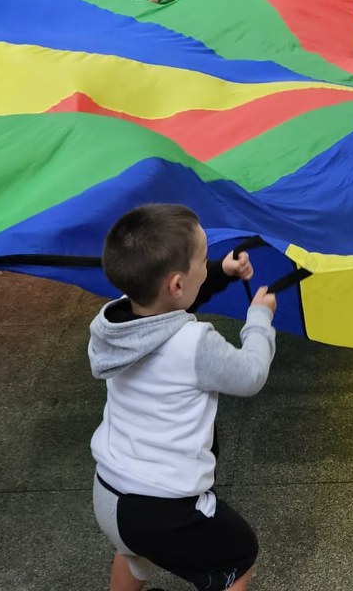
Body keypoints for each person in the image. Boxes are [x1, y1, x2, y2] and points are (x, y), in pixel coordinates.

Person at [89, 204, 276, 591]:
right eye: (204, 259)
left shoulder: (116, 324)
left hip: (110, 493)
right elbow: (251, 375)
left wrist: (220, 273)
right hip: (163, 507)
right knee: (238, 555)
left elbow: (169, 305)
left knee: (133, 553)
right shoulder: (193, 343)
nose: (207, 265)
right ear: (176, 284)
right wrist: (259, 319)